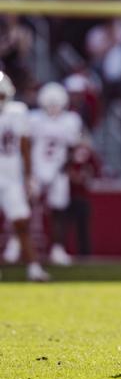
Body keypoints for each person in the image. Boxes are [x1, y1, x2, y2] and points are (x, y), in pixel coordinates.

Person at [0, 72, 49, 281]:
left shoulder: (17, 112)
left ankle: (33, 268)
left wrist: (28, 177)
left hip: (11, 177)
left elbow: (25, 148)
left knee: (22, 223)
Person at [29, 82, 82, 265]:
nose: (52, 108)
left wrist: (64, 168)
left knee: (59, 211)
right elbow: (26, 146)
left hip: (58, 170)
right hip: (36, 169)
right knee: (26, 208)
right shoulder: (34, 119)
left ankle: (57, 249)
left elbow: (72, 148)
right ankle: (18, 244)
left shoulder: (70, 120)